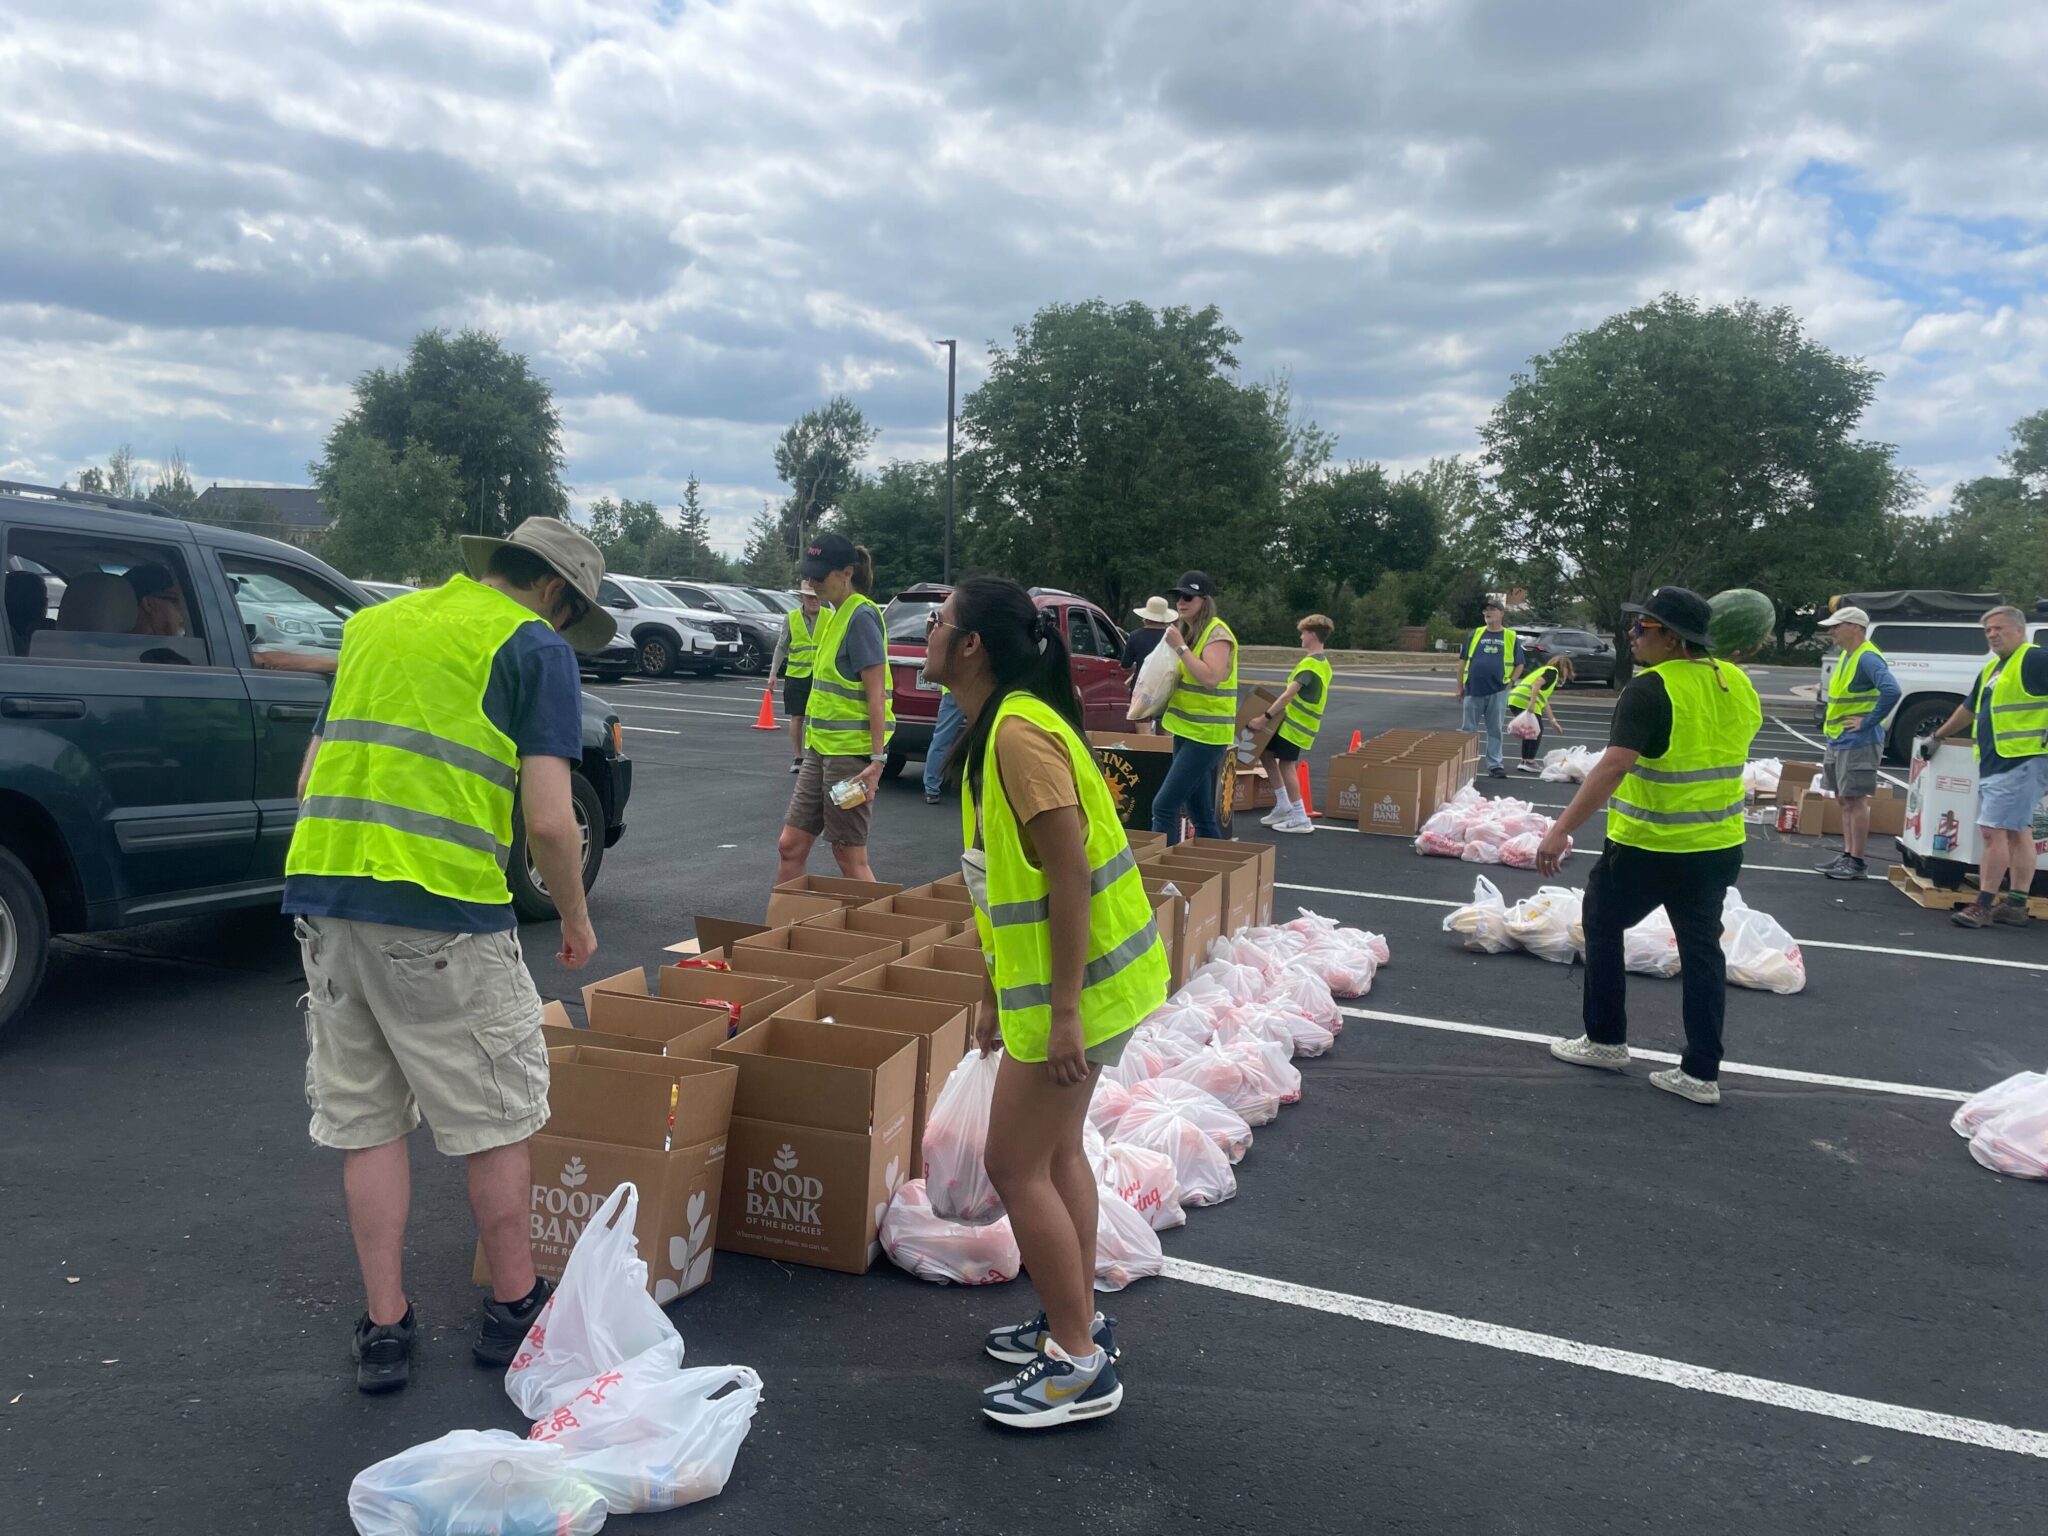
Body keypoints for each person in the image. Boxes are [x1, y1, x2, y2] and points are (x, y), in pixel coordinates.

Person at [284, 517, 611, 1393]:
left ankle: (385, 1327)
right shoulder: (533, 647)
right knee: (496, 1113)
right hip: (439, 913)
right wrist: (575, 918)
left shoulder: (373, 625)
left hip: (324, 899)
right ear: (558, 591)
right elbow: (549, 818)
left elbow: (312, 776)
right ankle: (514, 1310)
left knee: (368, 1122)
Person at [922, 575, 1169, 1429]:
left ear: (972, 646)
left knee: (1014, 1165)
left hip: (1084, 994)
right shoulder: (1001, 726)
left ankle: (1078, 1362)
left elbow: (1069, 879)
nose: (928, 629)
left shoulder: (1018, 736)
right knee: (1057, 1157)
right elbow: (1004, 886)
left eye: (940, 620)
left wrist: (1062, 1012)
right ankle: (1075, 1321)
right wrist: (994, 991)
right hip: (1084, 988)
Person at [1535, 586, 1760, 1107]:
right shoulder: (1736, 683)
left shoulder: (1651, 689)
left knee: (1603, 924)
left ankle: (1605, 1040)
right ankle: (1702, 1073)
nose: (1633, 636)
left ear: (1674, 639)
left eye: (1644, 628)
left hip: (1649, 845)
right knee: (1703, 950)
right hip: (1718, 844)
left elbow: (1613, 765)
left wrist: (1560, 828)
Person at [1919, 604, 2048, 928]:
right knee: (2018, 831)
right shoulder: (1993, 670)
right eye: (1988, 630)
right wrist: (1938, 735)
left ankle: (1984, 904)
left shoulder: (2033, 659)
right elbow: (1968, 708)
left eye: (1999, 628)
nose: (1992, 635)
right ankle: (2016, 904)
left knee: (1993, 832)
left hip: (2020, 760)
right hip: (2001, 761)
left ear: (2019, 630)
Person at [777, 532, 892, 883]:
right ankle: (782, 934)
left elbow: (876, 695)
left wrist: (877, 760)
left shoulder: (860, 617)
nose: (811, 583)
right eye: (808, 575)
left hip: (849, 759)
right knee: (790, 846)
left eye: (819, 576)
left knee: (849, 856)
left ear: (846, 572)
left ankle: (879, 934)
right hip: (820, 750)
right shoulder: (834, 614)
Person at [1811, 607, 1900, 880]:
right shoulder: (1849, 657)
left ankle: (1857, 861)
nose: (1832, 631)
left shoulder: (1867, 658)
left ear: (1855, 627)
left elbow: (1892, 690)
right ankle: (1849, 855)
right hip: (1841, 738)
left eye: (1837, 625)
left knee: (1854, 799)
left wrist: (1868, 721)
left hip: (1859, 740)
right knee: (1844, 799)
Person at [1151, 571, 1237, 845]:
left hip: (1207, 735)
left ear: (1203, 600)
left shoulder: (1217, 633)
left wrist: (1180, 649)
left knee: (1163, 806)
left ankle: (1158, 874)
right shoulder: (1190, 632)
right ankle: (1220, 869)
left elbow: (1211, 678)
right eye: (1177, 597)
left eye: (1187, 597)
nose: (1181, 602)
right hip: (1188, 731)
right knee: (1200, 815)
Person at [1253, 613, 1334, 834]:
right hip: (1298, 724)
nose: (1300, 636)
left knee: (1286, 764)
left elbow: (1288, 695)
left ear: (1313, 635)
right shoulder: (1323, 663)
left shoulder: (1310, 666)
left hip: (1295, 725)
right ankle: (1283, 805)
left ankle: (1300, 816)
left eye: (1303, 632)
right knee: (1266, 754)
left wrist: (1264, 717)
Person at [1456, 599, 1522, 778]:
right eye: (1485, 610)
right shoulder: (1475, 634)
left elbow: (1519, 664)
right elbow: (1462, 662)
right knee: (1468, 729)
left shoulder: (1510, 636)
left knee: (1495, 730)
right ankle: (1464, 763)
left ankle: (1495, 765)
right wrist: (1459, 686)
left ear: (1501, 613)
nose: (1487, 612)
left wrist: (1511, 682)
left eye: (1492, 609)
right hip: (1473, 689)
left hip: (1498, 690)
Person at [766, 582, 824, 774]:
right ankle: (799, 757)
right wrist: (773, 673)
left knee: (818, 717)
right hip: (797, 675)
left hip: (822, 675)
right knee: (797, 716)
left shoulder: (830, 616)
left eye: (817, 596)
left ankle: (817, 757)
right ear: (802, 598)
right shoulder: (791, 618)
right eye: (810, 597)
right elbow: (781, 646)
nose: (814, 601)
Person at [1508, 654, 1575, 774]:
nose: (1567, 674)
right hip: (1525, 700)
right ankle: (1529, 761)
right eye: (1567, 670)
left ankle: (1524, 761)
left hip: (1515, 699)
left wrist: (1553, 722)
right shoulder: (1552, 672)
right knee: (1536, 731)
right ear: (1563, 667)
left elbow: (1544, 701)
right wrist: (1532, 704)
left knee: (1530, 731)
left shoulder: (1545, 672)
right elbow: (1537, 684)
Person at [1119, 596, 1175, 736]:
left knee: (1143, 724)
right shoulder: (1173, 637)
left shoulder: (1135, 636)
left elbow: (1125, 664)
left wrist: (1135, 668)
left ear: (1146, 617)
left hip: (1142, 687)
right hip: (1166, 687)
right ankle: (1164, 756)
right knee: (1164, 725)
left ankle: (1146, 754)